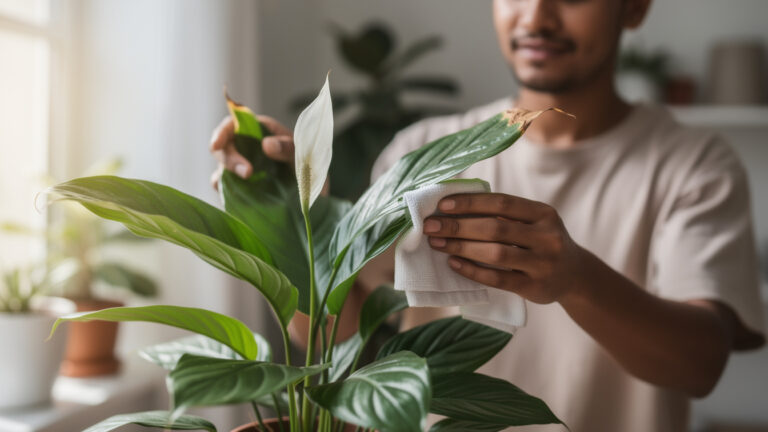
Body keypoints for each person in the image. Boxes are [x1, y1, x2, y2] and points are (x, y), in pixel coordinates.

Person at [210, 0, 766, 430]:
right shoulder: (423, 150)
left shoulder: (693, 165)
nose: (537, 16)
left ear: (634, 6)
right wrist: (287, 220)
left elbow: (701, 363)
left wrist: (575, 278)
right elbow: (338, 329)